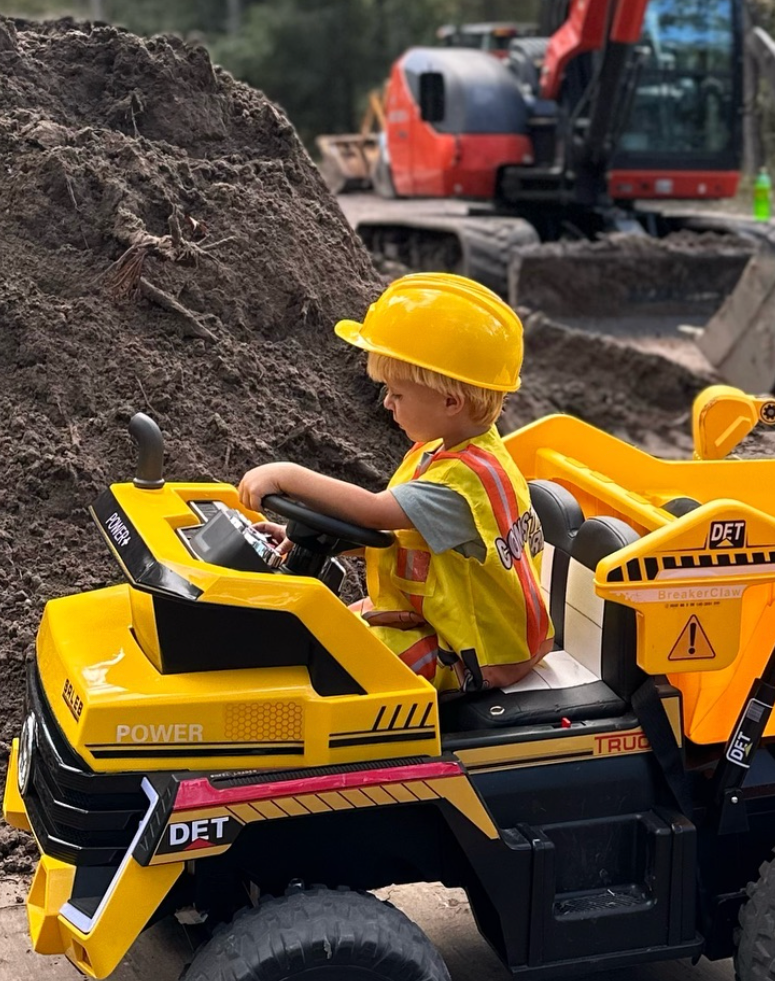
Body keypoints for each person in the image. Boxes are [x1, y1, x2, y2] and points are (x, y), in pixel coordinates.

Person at [237, 272, 552, 692]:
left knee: (331, 662)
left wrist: (287, 475)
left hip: (476, 654)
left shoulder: (460, 483)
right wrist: (305, 536)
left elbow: (373, 510)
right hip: (449, 623)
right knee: (329, 627)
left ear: (451, 402)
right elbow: (400, 537)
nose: (386, 402)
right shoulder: (456, 451)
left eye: (397, 394)